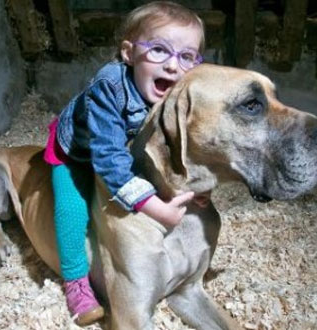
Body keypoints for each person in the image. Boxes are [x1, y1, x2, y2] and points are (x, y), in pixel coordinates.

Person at [42, 1, 206, 326]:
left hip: (122, 149)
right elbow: (109, 159)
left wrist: (187, 186)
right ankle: (76, 282)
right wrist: (158, 209)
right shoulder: (109, 88)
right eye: (159, 50)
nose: (173, 66)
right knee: (72, 211)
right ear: (129, 53)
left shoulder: (174, 89)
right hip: (78, 152)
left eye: (186, 56)